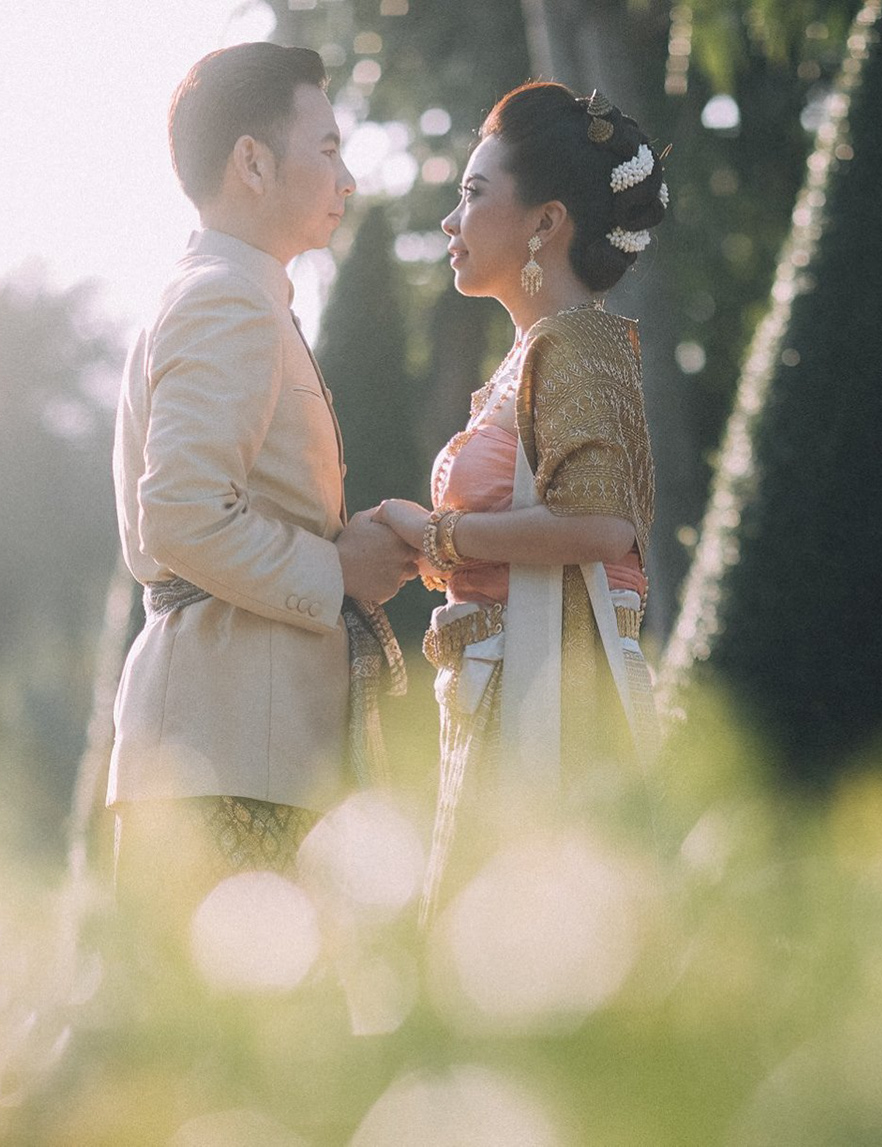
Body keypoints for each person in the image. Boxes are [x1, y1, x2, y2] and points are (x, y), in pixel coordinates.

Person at [107, 42, 416, 924]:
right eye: (328, 149)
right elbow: (180, 516)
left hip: (241, 745)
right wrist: (340, 568)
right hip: (228, 754)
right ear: (252, 162)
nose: (346, 179)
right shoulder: (226, 298)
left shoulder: (235, 292)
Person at [372, 83, 669, 911]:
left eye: (473, 194)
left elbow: (600, 524)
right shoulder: (536, 350)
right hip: (506, 689)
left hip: (551, 709)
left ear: (546, 223)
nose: (450, 221)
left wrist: (439, 537)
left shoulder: (576, 341)